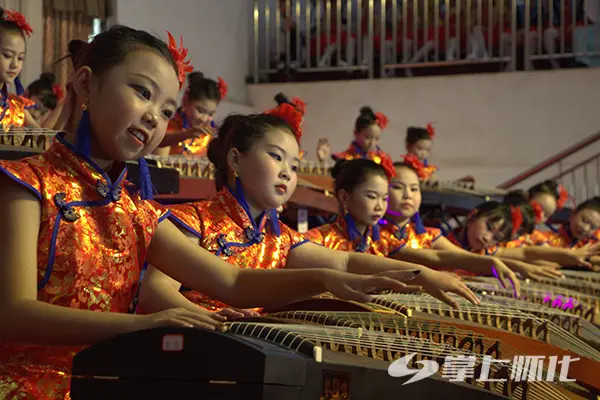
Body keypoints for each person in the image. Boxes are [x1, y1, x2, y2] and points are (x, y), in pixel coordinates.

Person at [0, 26, 414, 400]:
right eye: (142, 92)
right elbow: (13, 314)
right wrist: (142, 325)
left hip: (107, 383)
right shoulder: (25, 184)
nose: (154, 117)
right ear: (87, 84)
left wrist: (326, 279)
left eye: (166, 110)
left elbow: (230, 281)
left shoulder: (135, 211)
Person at [138, 105, 480, 315]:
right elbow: (156, 290)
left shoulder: (280, 238)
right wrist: (205, 318)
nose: (288, 171)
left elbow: (346, 261)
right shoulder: (192, 220)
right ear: (235, 160)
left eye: (293, 163)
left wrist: (420, 275)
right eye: (276, 157)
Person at [154, 70, 227, 157]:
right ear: (186, 102)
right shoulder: (168, 126)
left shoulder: (210, 135)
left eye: (210, 114)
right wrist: (186, 134)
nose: (204, 118)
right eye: (200, 111)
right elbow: (156, 142)